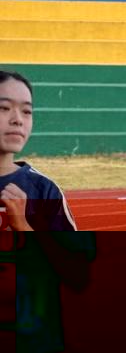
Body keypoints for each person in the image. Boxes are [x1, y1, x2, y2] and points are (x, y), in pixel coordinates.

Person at [0, 70, 79, 232]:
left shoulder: (44, 191)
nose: (18, 120)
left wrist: (21, 225)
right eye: (4, 108)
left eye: (26, 111)